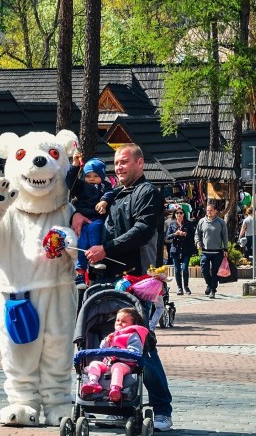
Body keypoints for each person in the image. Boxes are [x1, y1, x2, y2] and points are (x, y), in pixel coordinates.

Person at [84, 144, 174, 432]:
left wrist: (105, 248)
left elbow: (142, 231)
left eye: (124, 162)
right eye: (116, 163)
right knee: (113, 346)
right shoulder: (117, 194)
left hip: (139, 282)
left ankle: (162, 409)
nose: (119, 167)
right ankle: (117, 402)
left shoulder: (148, 193)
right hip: (112, 281)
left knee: (142, 348)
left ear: (140, 163)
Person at [79, 307, 148, 403]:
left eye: (124, 321)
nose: (119, 323)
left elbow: (135, 353)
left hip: (126, 365)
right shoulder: (113, 334)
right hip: (108, 364)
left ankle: (115, 388)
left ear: (134, 324)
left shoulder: (133, 335)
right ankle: (93, 383)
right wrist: (106, 342)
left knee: (117, 366)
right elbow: (103, 350)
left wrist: (117, 352)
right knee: (94, 363)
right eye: (117, 320)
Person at [70, 157, 114, 283]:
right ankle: (80, 272)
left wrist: (104, 201)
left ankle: (96, 259)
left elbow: (110, 193)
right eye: (88, 175)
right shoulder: (81, 186)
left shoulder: (104, 186)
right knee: (82, 240)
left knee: (94, 229)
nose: (91, 178)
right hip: (82, 220)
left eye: (96, 175)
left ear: (102, 176)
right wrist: (75, 165)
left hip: (96, 218)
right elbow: (70, 181)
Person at [194, 203, 228, 299]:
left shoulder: (221, 222)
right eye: (208, 210)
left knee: (215, 271)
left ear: (215, 211)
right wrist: (197, 242)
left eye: (211, 210)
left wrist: (225, 249)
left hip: (217, 251)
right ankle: (209, 284)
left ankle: (212, 290)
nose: (209, 212)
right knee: (204, 269)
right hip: (205, 251)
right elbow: (197, 234)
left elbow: (225, 236)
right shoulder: (202, 221)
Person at [165, 207, 194, 295]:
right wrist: (175, 234)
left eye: (181, 213)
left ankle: (186, 286)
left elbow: (193, 235)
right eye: (177, 213)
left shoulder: (188, 224)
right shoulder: (172, 224)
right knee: (177, 270)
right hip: (175, 250)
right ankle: (179, 288)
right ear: (175, 215)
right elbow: (168, 236)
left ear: (184, 214)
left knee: (185, 269)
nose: (179, 214)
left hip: (185, 250)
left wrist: (185, 234)